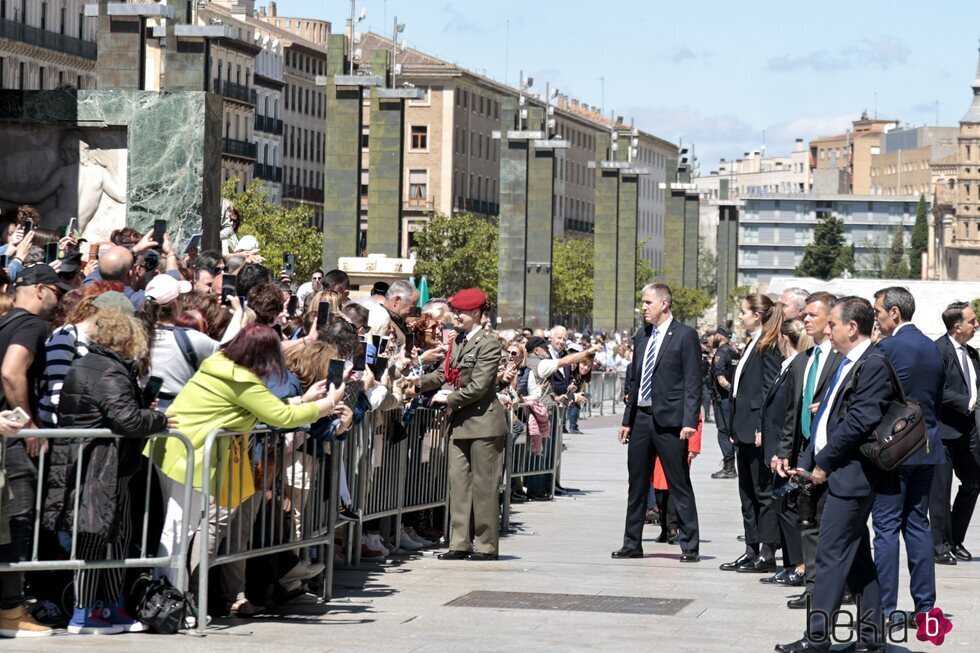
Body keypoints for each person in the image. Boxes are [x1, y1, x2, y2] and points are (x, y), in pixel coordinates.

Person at [150, 323, 345, 602]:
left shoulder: (220, 364)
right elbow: (281, 418)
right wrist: (329, 403)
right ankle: (171, 595)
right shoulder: (242, 379)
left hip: (177, 449)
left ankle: (172, 592)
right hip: (189, 454)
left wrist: (303, 399)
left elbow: (267, 410)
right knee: (180, 527)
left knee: (180, 527)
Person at [45, 310, 171, 635]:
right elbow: (127, 420)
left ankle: (108, 606)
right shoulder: (109, 371)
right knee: (96, 539)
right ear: (125, 337)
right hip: (101, 467)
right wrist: (159, 420)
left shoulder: (91, 364)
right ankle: (85, 611)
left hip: (102, 465)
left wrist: (142, 408)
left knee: (115, 537)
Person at [776, 296, 891, 653]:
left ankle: (817, 638)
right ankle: (872, 637)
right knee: (857, 559)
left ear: (852, 328)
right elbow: (826, 416)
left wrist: (823, 462)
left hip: (851, 476)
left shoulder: (873, 364)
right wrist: (809, 458)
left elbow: (859, 422)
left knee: (828, 556)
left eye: (833, 324)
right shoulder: (845, 362)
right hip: (832, 469)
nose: (827, 329)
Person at [412, 288, 510, 561]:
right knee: (459, 485)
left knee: (484, 486)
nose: (456, 317)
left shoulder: (489, 344)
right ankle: (459, 543)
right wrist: (416, 385)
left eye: (461, 312)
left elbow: (479, 386)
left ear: (476, 313)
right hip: (460, 423)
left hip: (483, 423)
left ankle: (486, 545)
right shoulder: (458, 341)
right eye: (455, 312)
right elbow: (444, 373)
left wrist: (449, 398)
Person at [0, 264, 69, 639]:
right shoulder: (30, 325)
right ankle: (10, 610)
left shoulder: (4, 320)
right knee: (17, 522)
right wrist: (28, 425)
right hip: (11, 441)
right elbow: (12, 372)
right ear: (40, 290)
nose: (58, 301)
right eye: (56, 293)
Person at [613, 283, 701, 563]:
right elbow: (636, 381)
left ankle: (689, 545)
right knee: (637, 483)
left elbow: (693, 383)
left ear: (664, 304)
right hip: (641, 419)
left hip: (671, 423)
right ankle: (631, 542)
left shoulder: (685, 336)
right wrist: (628, 419)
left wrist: (690, 422)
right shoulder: (642, 336)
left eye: (648, 302)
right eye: (643, 302)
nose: (644, 307)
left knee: (679, 483)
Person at [870, 287, 944, 622]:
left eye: (879, 313)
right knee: (917, 525)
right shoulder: (932, 347)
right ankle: (925, 607)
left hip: (895, 450)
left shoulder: (888, 347)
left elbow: (876, 399)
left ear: (894, 313)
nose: (877, 319)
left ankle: (886, 607)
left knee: (885, 527)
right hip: (927, 448)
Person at [773, 291, 844, 609]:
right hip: (805, 454)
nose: (805, 319)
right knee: (807, 523)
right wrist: (784, 452)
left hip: (835, 456)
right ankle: (813, 587)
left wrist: (829, 408)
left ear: (831, 319)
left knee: (832, 525)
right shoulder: (802, 361)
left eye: (812, 315)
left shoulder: (842, 360)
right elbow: (791, 411)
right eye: (804, 314)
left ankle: (838, 586)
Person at [721, 293, 783, 573]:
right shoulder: (752, 342)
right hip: (742, 428)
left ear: (757, 315)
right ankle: (751, 548)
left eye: (744, 312)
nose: (741, 316)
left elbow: (769, 388)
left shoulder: (768, 344)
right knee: (746, 492)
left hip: (756, 430)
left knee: (762, 492)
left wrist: (762, 425)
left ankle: (767, 552)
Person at [759, 319, 810, 587]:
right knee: (781, 507)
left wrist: (782, 450)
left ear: (784, 339)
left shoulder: (795, 369)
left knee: (788, 508)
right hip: (776, 446)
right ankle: (791, 564)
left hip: (785, 449)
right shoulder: (786, 367)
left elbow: (788, 414)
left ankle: (799, 565)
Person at [932, 301, 980, 566]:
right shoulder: (938, 351)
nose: (976, 325)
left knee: (973, 483)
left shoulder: (972, 353)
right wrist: (967, 402)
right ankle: (938, 546)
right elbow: (937, 390)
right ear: (956, 326)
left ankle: (955, 539)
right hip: (943, 433)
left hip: (968, 431)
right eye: (972, 321)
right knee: (939, 493)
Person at [709, 328, 739, 479]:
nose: (711, 338)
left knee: (723, 432)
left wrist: (731, 390)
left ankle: (729, 467)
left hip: (724, 399)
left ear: (719, 336)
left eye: (712, 335)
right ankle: (730, 466)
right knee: (731, 431)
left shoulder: (721, 353)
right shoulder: (734, 352)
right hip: (733, 399)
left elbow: (721, 380)